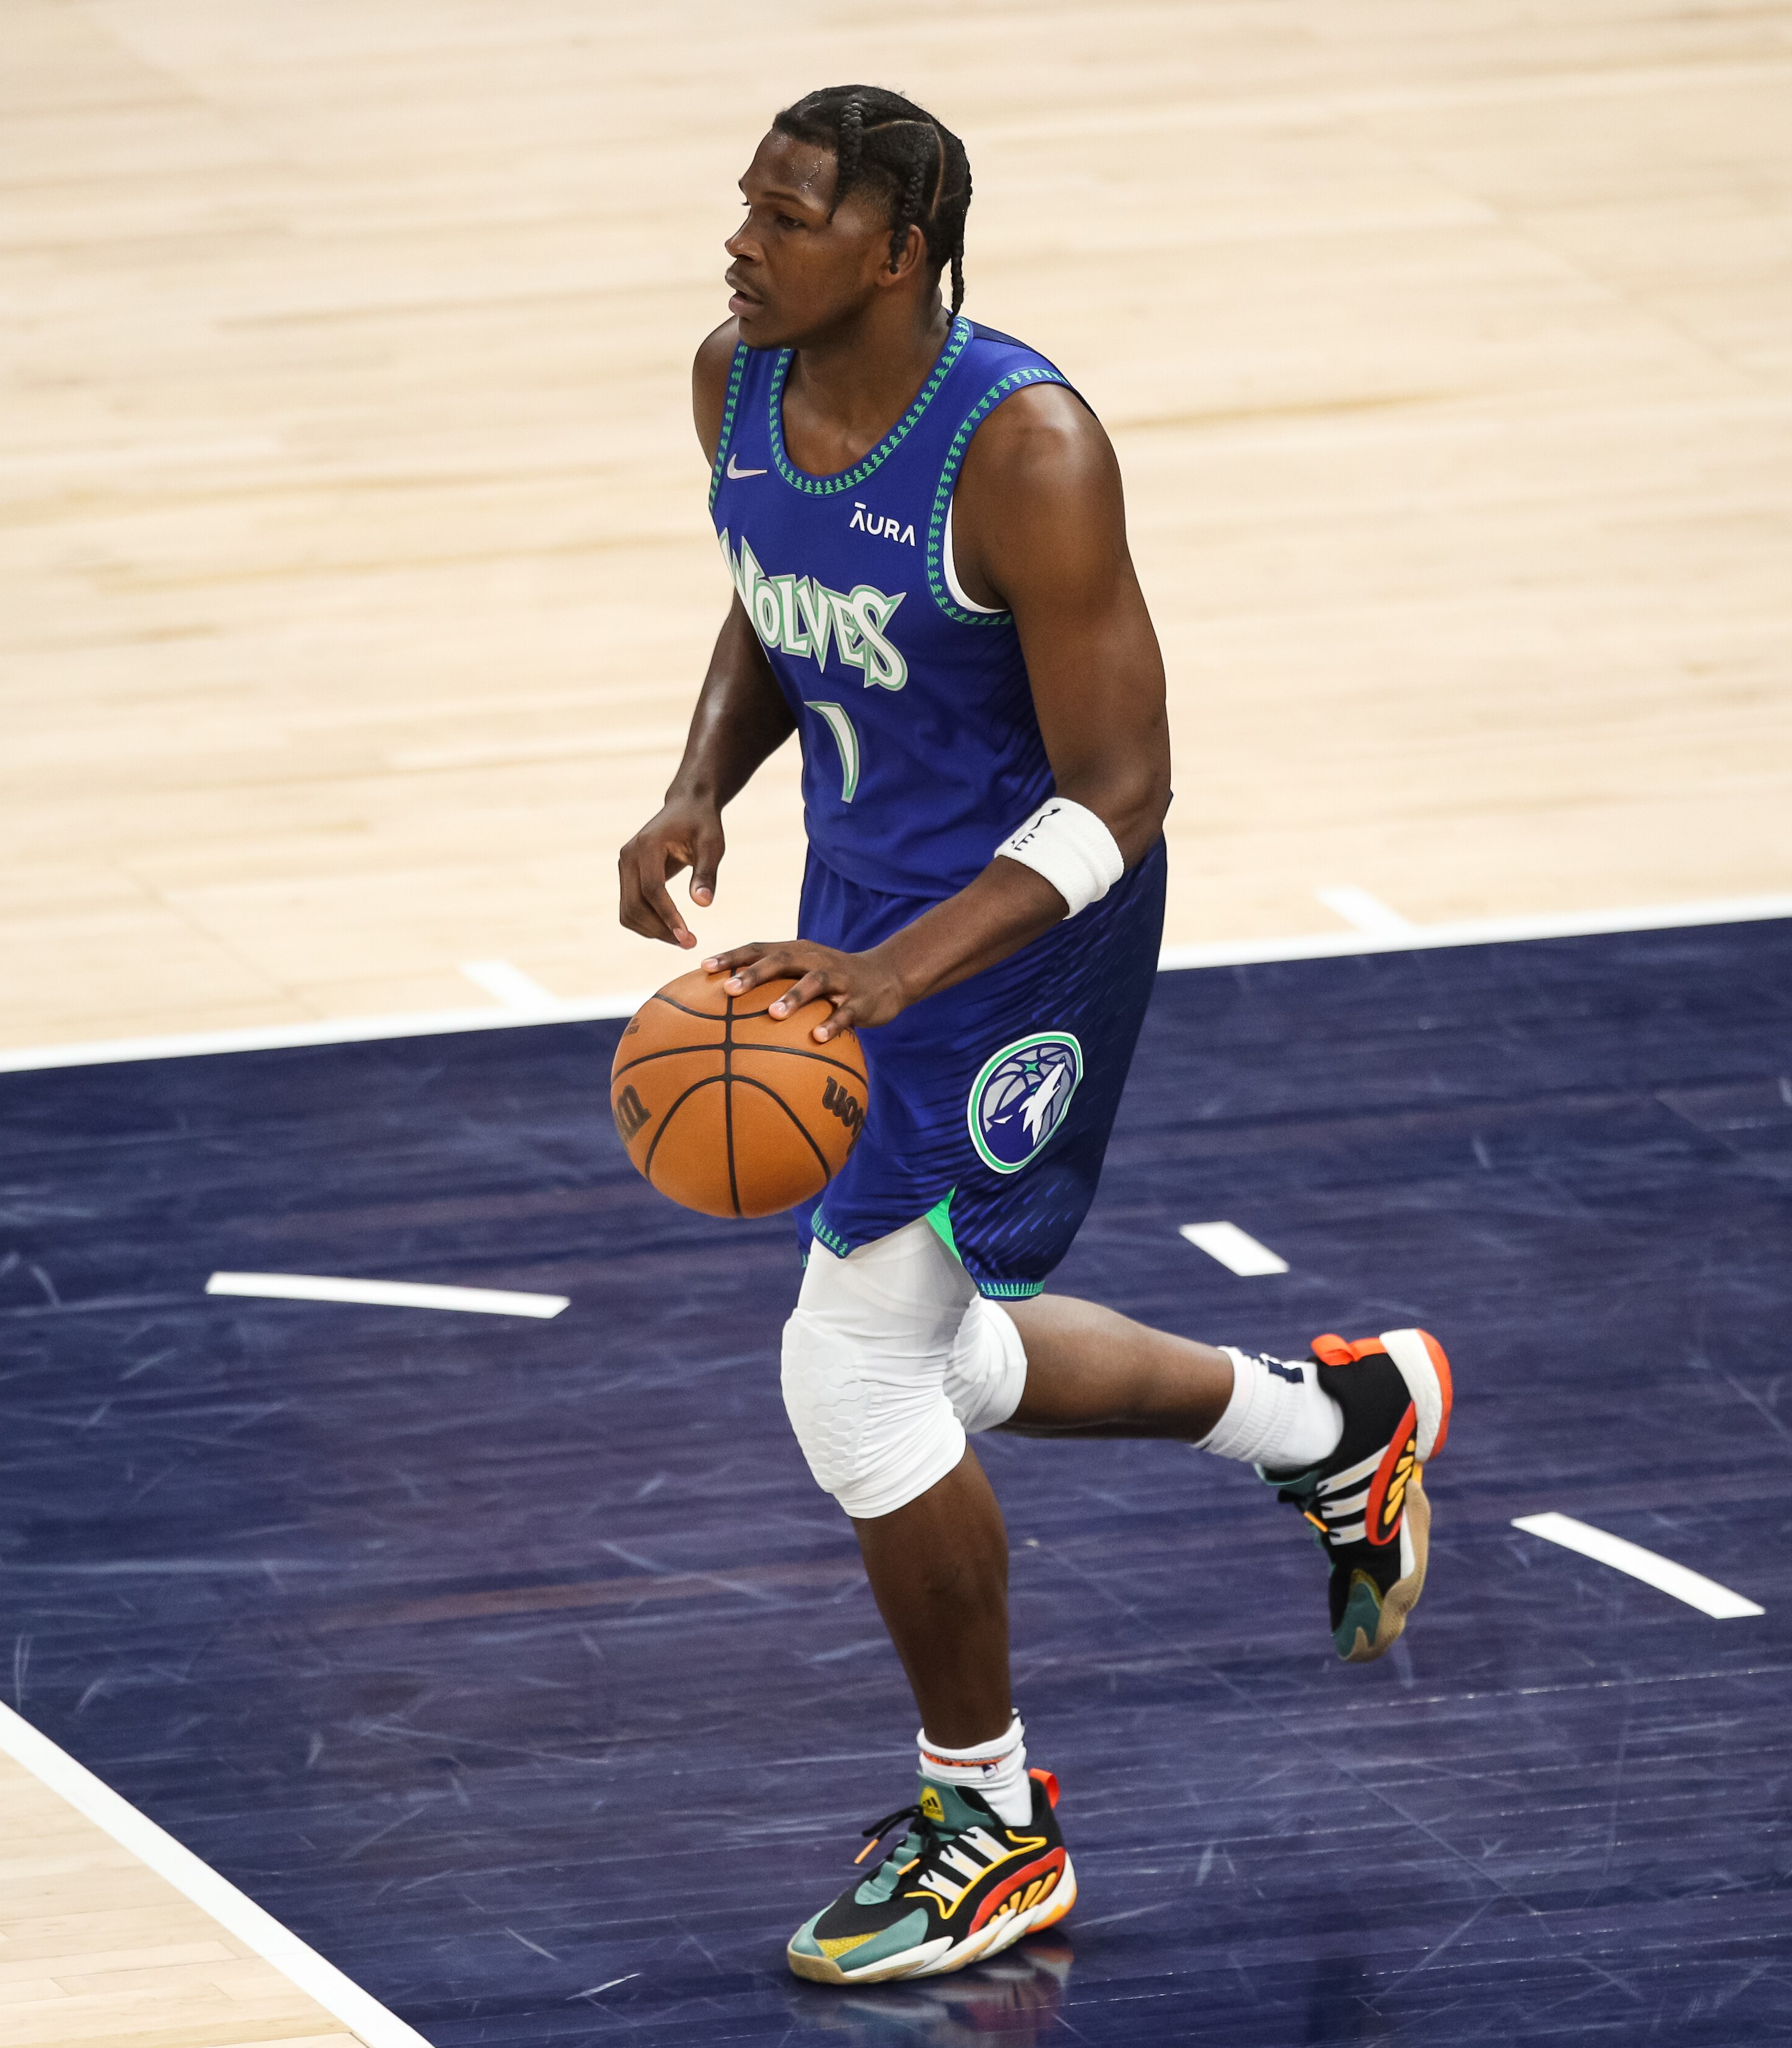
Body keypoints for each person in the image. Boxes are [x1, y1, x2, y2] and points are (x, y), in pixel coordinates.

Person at [614, 84, 1456, 1988]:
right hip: (865, 927)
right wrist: (694, 787)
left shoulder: (1030, 448)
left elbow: (1124, 791)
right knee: (943, 1354)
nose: (739, 245)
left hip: (1030, 933)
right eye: (742, 209)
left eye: (786, 217)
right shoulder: (734, 379)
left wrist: (914, 975)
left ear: (897, 250)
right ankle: (1339, 1428)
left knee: (855, 1373)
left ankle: (991, 1824)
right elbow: (774, 588)